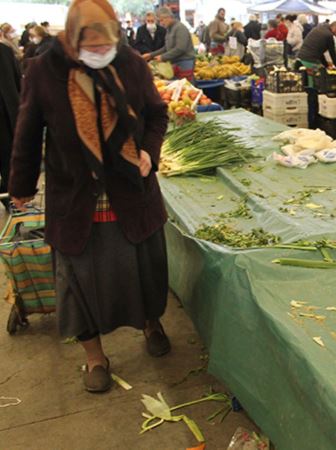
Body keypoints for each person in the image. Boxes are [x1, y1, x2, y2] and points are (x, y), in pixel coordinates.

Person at [10, 0, 170, 394]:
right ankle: (94, 356)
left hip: (131, 189)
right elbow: (28, 132)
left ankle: (151, 323)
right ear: (73, 36)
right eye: (92, 45)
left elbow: (156, 113)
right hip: (76, 194)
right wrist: (21, 186)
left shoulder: (130, 62)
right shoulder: (44, 69)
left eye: (107, 44)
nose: (101, 52)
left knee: (145, 269)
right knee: (78, 280)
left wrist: (148, 152)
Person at [145, 7, 196, 80]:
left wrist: (163, 57)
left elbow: (180, 48)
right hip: (176, 62)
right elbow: (167, 47)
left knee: (186, 88)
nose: (161, 23)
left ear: (168, 17)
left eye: (162, 20)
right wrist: (151, 55)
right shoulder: (169, 29)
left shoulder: (180, 28)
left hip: (185, 62)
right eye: (159, 21)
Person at [0, 42, 20, 210]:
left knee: (9, 165)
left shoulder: (4, 51)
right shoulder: (5, 51)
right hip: (7, 119)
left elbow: (18, 84)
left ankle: (11, 201)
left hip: (6, 120)